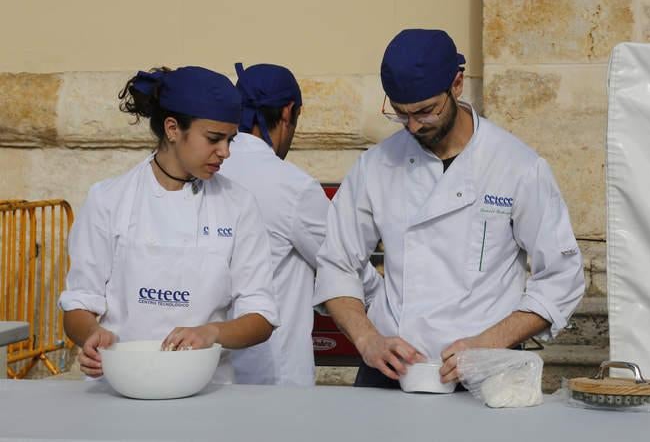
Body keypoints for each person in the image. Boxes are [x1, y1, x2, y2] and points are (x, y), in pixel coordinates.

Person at [313, 29, 585, 389]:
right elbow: (337, 262)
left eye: (425, 112)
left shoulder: (516, 166)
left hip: (486, 375)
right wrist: (367, 339)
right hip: (391, 372)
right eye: (400, 114)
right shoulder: (375, 166)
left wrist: (489, 342)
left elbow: (562, 276)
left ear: (456, 84)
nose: (412, 126)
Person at [59, 66, 280, 383]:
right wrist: (93, 335)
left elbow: (261, 316)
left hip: (206, 388)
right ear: (173, 128)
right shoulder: (109, 199)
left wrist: (213, 332)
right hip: (123, 385)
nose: (226, 152)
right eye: (214, 139)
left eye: (230, 139)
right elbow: (79, 303)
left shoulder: (238, 205)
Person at [221, 63, 382, 386]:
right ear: (288, 112)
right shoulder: (292, 186)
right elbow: (341, 262)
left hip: (211, 373)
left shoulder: (208, 169)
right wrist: (388, 299)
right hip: (273, 376)